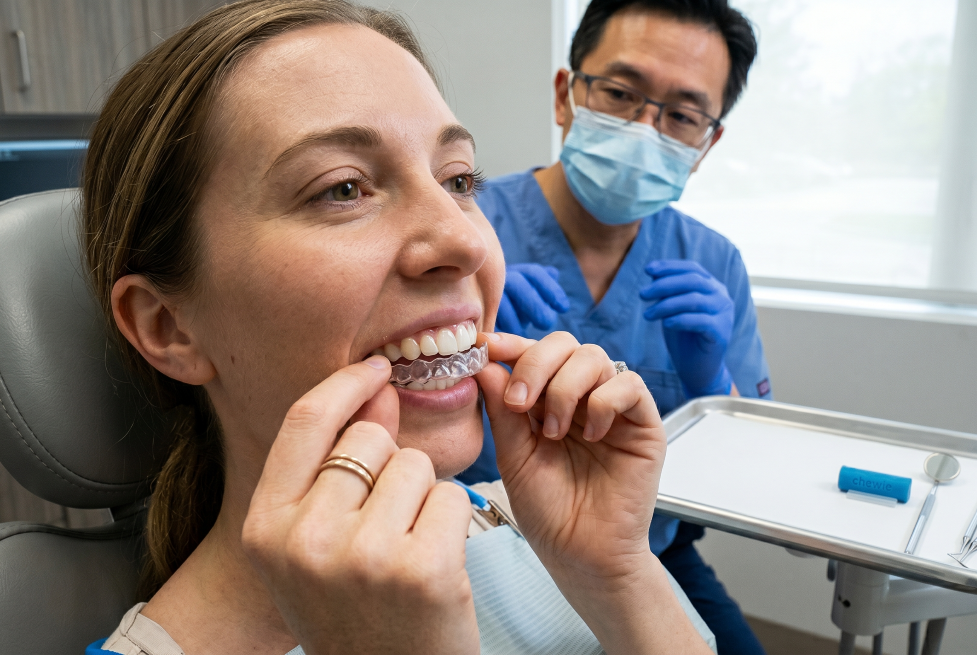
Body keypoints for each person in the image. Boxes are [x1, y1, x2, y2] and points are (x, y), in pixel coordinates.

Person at [79, 1, 716, 653]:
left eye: (459, 179)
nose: (464, 241)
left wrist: (616, 575)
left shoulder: (526, 525)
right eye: (344, 189)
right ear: (169, 328)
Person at [457, 1, 771, 653]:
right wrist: (466, 341)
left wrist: (713, 383)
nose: (644, 129)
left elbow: (750, 465)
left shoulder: (715, 263)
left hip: (638, 548)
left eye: (682, 115)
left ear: (706, 143)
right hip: (473, 543)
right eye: (623, 93)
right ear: (566, 96)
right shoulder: (464, 233)